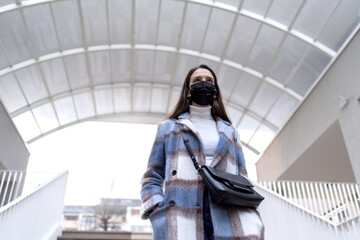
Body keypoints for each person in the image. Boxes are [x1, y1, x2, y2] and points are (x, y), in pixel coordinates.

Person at [140, 64, 264, 240]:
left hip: (226, 213)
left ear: (215, 91)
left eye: (209, 81)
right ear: (188, 91)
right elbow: (151, 176)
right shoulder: (168, 128)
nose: (203, 84)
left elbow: (242, 178)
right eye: (197, 80)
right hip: (181, 213)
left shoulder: (231, 132)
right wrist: (157, 209)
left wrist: (250, 217)